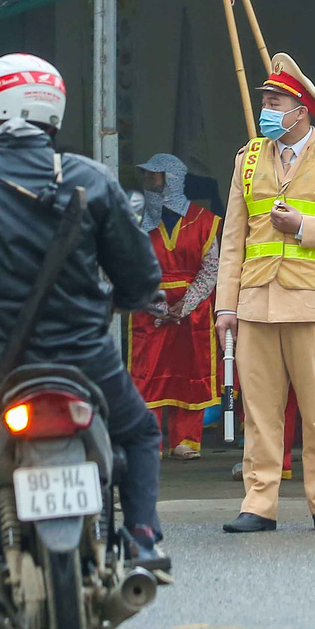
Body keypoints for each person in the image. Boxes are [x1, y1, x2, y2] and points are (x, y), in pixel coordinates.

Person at [0, 54, 167, 590]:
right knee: (139, 431)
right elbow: (141, 279)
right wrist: (118, 301)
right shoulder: (92, 178)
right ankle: (142, 536)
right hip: (88, 364)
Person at [216, 53, 315, 534]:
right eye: (265, 99)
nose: (266, 107)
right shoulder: (247, 160)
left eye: (275, 100)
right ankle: (258, 502)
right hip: (256, 303)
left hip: (314, 303)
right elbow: (233, 241)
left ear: (300, 109)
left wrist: (304, 226)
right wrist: (225, 306)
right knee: (260, 413)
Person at [127, 153, 221, 459]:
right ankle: (147, 441)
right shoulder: (136, 220)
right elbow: (126, 265)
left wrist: (185, 305)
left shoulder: (205, 222)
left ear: (173, 179)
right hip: (147, 311)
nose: (147, 182)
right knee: (146, 375)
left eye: (154, 176)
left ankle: (186, 440)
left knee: (190, 373)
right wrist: (151, 301)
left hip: (191, 312)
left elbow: (211, 269)